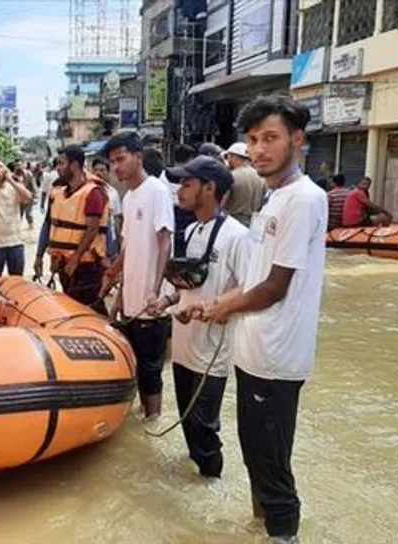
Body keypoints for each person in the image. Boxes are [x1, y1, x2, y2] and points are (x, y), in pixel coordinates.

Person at [187, 95, 327, 542]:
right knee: (256, 459)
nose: (260, 148)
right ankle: (258, 529)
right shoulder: (272, 199)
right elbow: (253, 277)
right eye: (253, 140)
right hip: (252, 352)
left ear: (297, 140)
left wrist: (225, 307)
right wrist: (208, 303)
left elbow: (275, 286)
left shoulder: (304, 199)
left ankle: (281, 535)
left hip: (277, 357)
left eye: (271, 138)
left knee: (273, 469)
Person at [148, 155, 248, 479]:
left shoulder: (237, 236)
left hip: (211, 354)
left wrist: (207, 308)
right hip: (183, 349)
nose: (180, 190)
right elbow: (187, 286)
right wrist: (165, 301)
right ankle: (194, 492)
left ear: (210, 188)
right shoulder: (190, 231)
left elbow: (248, 289)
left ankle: (211, 490)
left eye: (188, 184)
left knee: (205, 432)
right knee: (189, 426)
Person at [100, 131, 175, 422]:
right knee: (135, 366)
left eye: (121, 159)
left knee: (151, 370)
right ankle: (144, 417)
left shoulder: (156, 191)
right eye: (112, 162)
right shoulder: (129, 198)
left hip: (151, 304)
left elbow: (164, 241)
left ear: (138, 157)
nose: (116, 167)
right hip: (131, 300)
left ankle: (152, 423)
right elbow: (128, 249)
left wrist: (155, 291)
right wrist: (117, 293)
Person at [38, 145, 110, 313]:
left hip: (86, 265)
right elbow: (50, 225)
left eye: (62, 163)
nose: (58, 168)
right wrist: (46, 255)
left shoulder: (93, 193)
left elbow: (92, 229)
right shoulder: (58, 191)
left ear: (75, 165)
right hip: (64, 263)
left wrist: (76, 258)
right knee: (71, 306)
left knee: (90, 308)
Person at [0, 159, 33, 278]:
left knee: (17, 282)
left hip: (15, 242)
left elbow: (28, 198)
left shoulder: (14, 187)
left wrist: (10, 179)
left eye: (1, 167)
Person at [223, 142, 266, 228]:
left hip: (232, 223)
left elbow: (222, 203)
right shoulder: (261, 177)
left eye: (228, 156)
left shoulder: (231, 176)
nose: (227, 160)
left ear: (234, 157)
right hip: (252, 224)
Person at [91, 157, 123, 260]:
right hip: (92, 242)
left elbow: (117, 221)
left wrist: (119, 245)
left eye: (102, 170)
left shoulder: (113, 193)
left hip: (110, 242)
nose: (98, 173)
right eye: (95, 170)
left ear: (108, 173)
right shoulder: (87, 192)